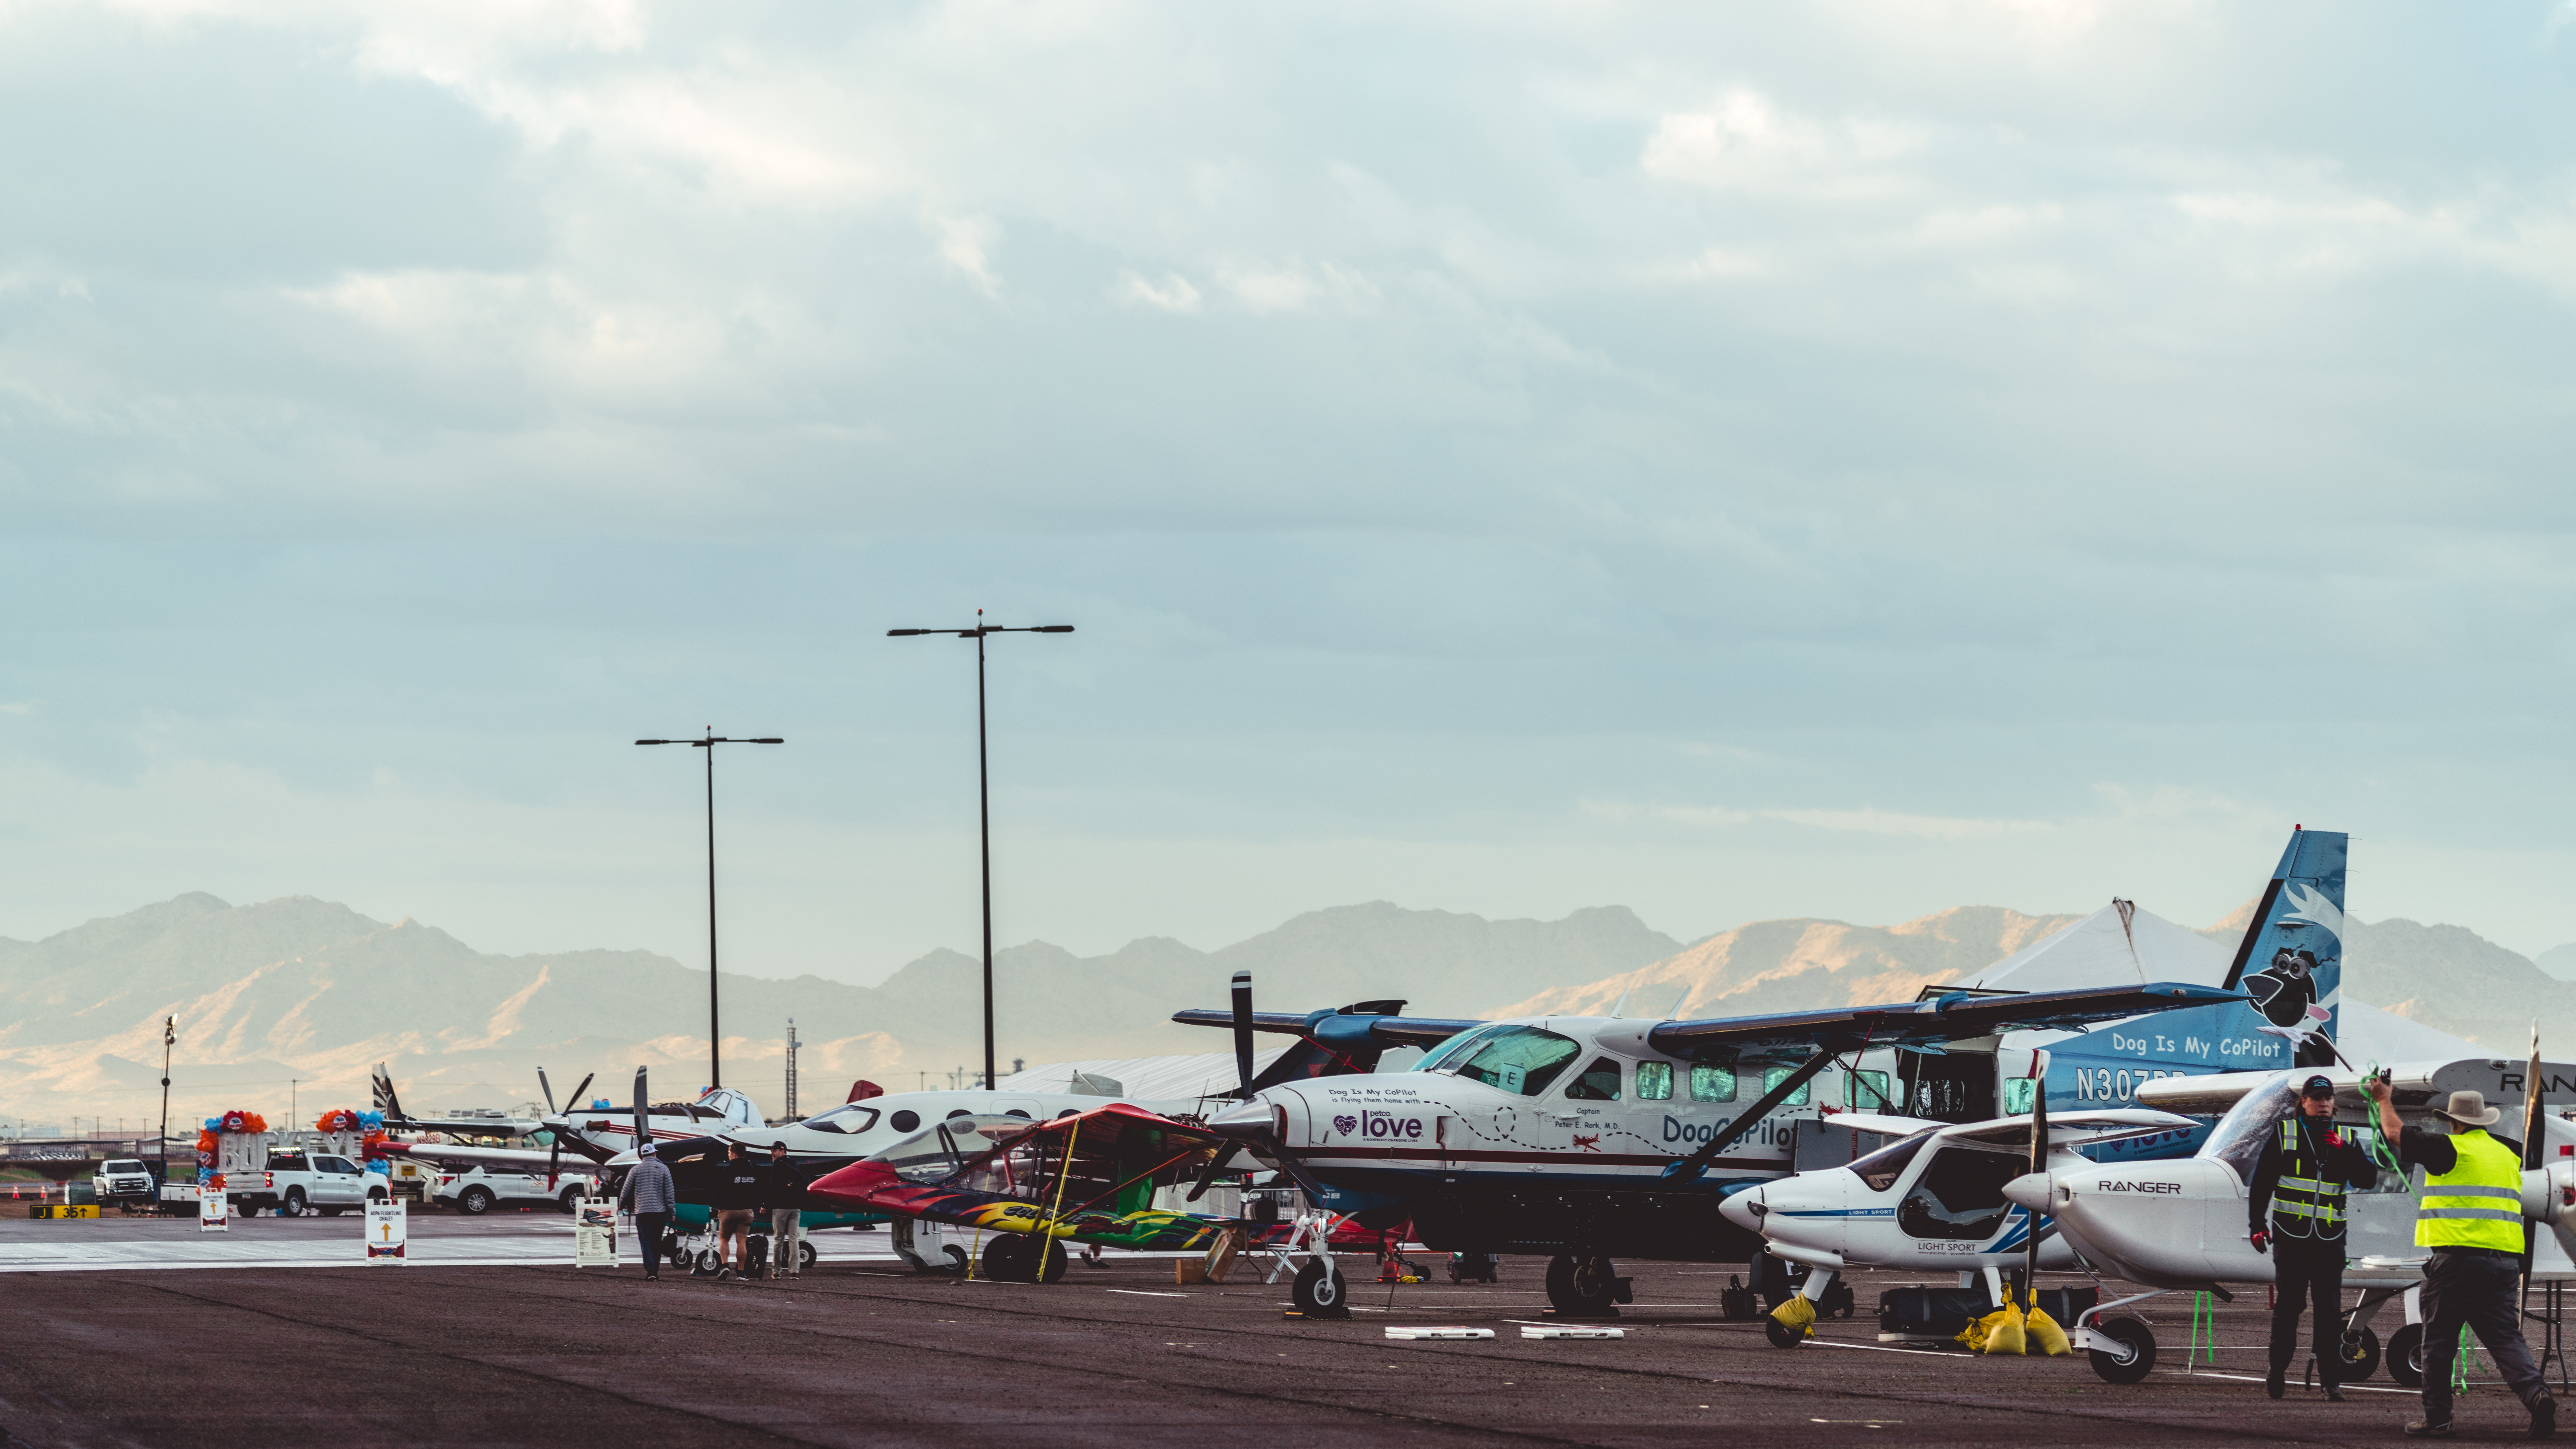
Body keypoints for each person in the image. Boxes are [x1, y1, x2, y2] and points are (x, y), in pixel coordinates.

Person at [2364, 1077, 2555, 1439]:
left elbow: (2393, 1133)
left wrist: (2381, 1099)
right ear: (2484, 1120)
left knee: (2437, 1343)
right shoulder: (2507, 1153)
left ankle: (2437, 1419)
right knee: (2505, 1340)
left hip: (2455, 1265)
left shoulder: (2449, 1149)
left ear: (2453, 1121)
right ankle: (2536, 1395)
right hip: (2502, 1265)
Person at [2248, 1074, 2376, 1400]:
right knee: (2289, 1307)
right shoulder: (2285, 1134)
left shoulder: (2345, 1137)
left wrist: (2346, 1152)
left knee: (2329, 1310)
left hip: (2329, 1239)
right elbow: (2262, 1182)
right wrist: (2256, 1225)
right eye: (2316, 1098)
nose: (2322, 1103)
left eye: (2327, 1098)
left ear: (2333, 1104)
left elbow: (2368, 1178)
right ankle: (2276, 1372)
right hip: (2291, 1237)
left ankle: (2330, 1381)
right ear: (2303, 1103)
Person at [617, 1143, 675, 1282]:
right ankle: (655, 1270)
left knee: (646, 1241)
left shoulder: (635, 1170)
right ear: (655, 1154)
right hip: (660, 1212)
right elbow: (669, 1193)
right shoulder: (664, 1169)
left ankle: (651, 1270)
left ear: (642, 1155)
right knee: (657, 1241)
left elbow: (626, 1190)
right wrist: (672, 1212)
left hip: (642, 1211)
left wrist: (621, 1205)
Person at [715, 1139, 760, 1282]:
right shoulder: (752, 1170)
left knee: (724, 1240)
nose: (728, 1156)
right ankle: (741, 1273)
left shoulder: (727, 1171)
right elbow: (756, 1190)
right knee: (742, 1242)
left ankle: (725, 1265)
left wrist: (720, 1208)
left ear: (734, 1155)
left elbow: (720, 1191)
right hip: (746, 1212)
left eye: (729, 1153)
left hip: (729, 1211)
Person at [765, 1141, 804, 1280]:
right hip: (796, 1207)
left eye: (774, 1151)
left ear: (783, 1151)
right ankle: (795, 1271)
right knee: (794, 1239)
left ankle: (777, 1271)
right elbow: (804, 1179)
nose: (772, 1153)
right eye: (772, 1150)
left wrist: (766, 1205)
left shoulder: (777, 1166)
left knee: (779, 1240)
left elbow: (773, 1187)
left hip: (780, 1207)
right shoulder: (794, 1163)